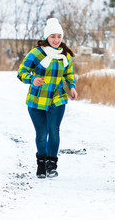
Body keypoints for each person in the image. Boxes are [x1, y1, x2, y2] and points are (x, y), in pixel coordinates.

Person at [17, 18, 78, 179]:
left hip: (57, 99)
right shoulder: (36, 53)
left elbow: (69, 74)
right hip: (37, 100)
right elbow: (21, 72)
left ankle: (52, 164)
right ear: (46, 37)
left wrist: (72, 86)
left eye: (59, 36)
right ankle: (41, 163)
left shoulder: (65, 55)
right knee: (41, 134)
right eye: (53, 36)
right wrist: (32, 79)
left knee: (54, 131)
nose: (56, 40)